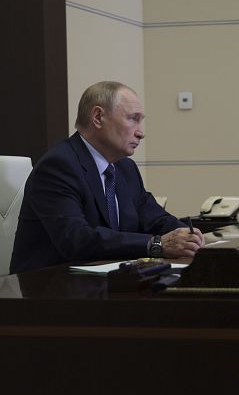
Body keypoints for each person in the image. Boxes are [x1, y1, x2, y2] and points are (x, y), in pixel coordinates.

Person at [11, 82, 204, 273]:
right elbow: (76, 239)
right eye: (132, 119)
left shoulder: (124, 168)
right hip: (48, 288)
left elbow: (154, 218)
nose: (140, 132)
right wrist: (156, 244)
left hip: (107, 282)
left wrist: (188, 236)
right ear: (98, 117)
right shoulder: (58, 166)